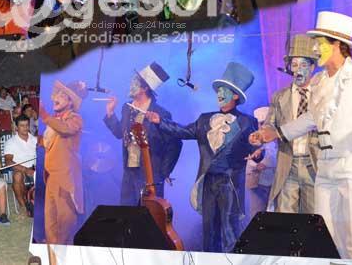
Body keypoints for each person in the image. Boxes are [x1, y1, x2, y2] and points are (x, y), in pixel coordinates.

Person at [251, 11, 352, 260]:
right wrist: (276, 133)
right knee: (324, 236)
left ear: (337, 45)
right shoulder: (319, 81)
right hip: (325, 167)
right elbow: (310, 119)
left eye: (320, 43)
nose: (315, 49)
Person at [147, 62, 259, 252]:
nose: (219, 93)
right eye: (218, 90)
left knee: (230, 231)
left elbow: (256, 147)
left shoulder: (247, 122)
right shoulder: (205, 119)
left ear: (235, 96)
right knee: (209, 232)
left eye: (224, 90)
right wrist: (160, 122)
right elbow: (182, 131)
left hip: (230, 184)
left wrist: (258, 154)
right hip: (208, 182)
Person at [103, 62, 182, 205]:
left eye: (135, 83)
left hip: (150, 175)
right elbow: (120, 133)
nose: (130, 85)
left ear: (144, 88)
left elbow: (175, 144)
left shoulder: (160, 113)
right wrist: (110, 113)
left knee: (147, 213)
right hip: (129, 172)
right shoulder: (127, 108)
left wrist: (162, 173)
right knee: (127, 213)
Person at [260, 34, 320, 213]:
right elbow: (270, 124)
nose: (298, 70)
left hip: (314, 165)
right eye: (294, 65)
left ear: (312, 67)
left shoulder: (321, 95)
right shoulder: (280, 96)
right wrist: (261, 135)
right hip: (288, 164)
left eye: (303, 65)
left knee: (314, 219)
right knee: (285, 220)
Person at [39, 80, 86, 244]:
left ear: (70, 102)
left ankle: (64, 253)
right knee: (50, 226)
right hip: (51, 177)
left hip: (66, 180)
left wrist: (44, 115)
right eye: (56, 94)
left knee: (65, 226)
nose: (55, 98)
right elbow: (49, 143)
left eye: (61, 95)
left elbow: (66, 129)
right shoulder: (55, 120)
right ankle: (52, 254)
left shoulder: (75, 119)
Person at [245, 107, 277, 224]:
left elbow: (273, 157)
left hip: (274, 182)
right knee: (257, 216)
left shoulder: (278, 137)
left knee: (274, 216)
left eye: (266, 123)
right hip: (257, 182)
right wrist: (257, 159)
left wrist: (264, 162)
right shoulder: (253, 137)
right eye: (261, 123)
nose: (263, 127)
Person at [4, 115, 37, 217]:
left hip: (35, 168)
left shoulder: (35, 139)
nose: (25, 128)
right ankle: (23, 206)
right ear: (16, 127)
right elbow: (8, 162)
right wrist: (25, 170)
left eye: (27, 125)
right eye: (22, 125)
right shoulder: (11, 142)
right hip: (20, 169)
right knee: (17, 176)